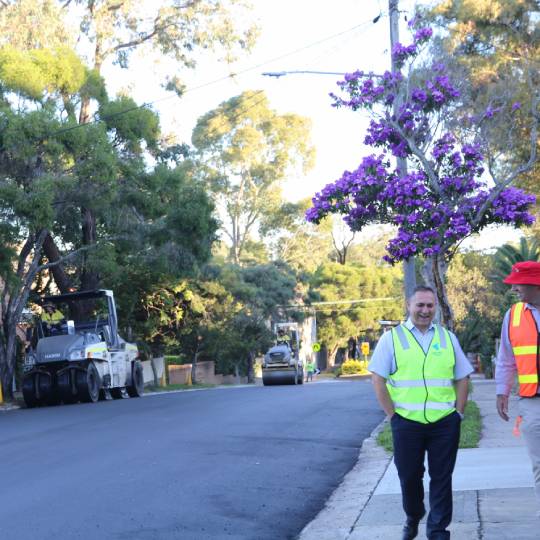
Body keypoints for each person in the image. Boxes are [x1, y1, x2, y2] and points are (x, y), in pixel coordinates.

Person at [369, 285, 472, 540]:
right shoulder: (391, 338)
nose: (425, 311)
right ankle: (413, 515)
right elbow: (378, 379)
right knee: (409, 476)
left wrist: (457, 413)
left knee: (442, 477)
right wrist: (393, 415)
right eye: (420, 305)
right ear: (409, 305)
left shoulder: (448, 338)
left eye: (430, 305)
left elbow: (462, 377)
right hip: (406, 422)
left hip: (444, 423)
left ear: (435, 307)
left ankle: (438, 530)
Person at [496, 260, 540, 516]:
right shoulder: (512, 316)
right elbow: (506, 358)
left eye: (517, 283)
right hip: (532, 403)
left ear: (535, 283)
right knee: (539, 465)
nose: (514, 289)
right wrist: (502, 391)